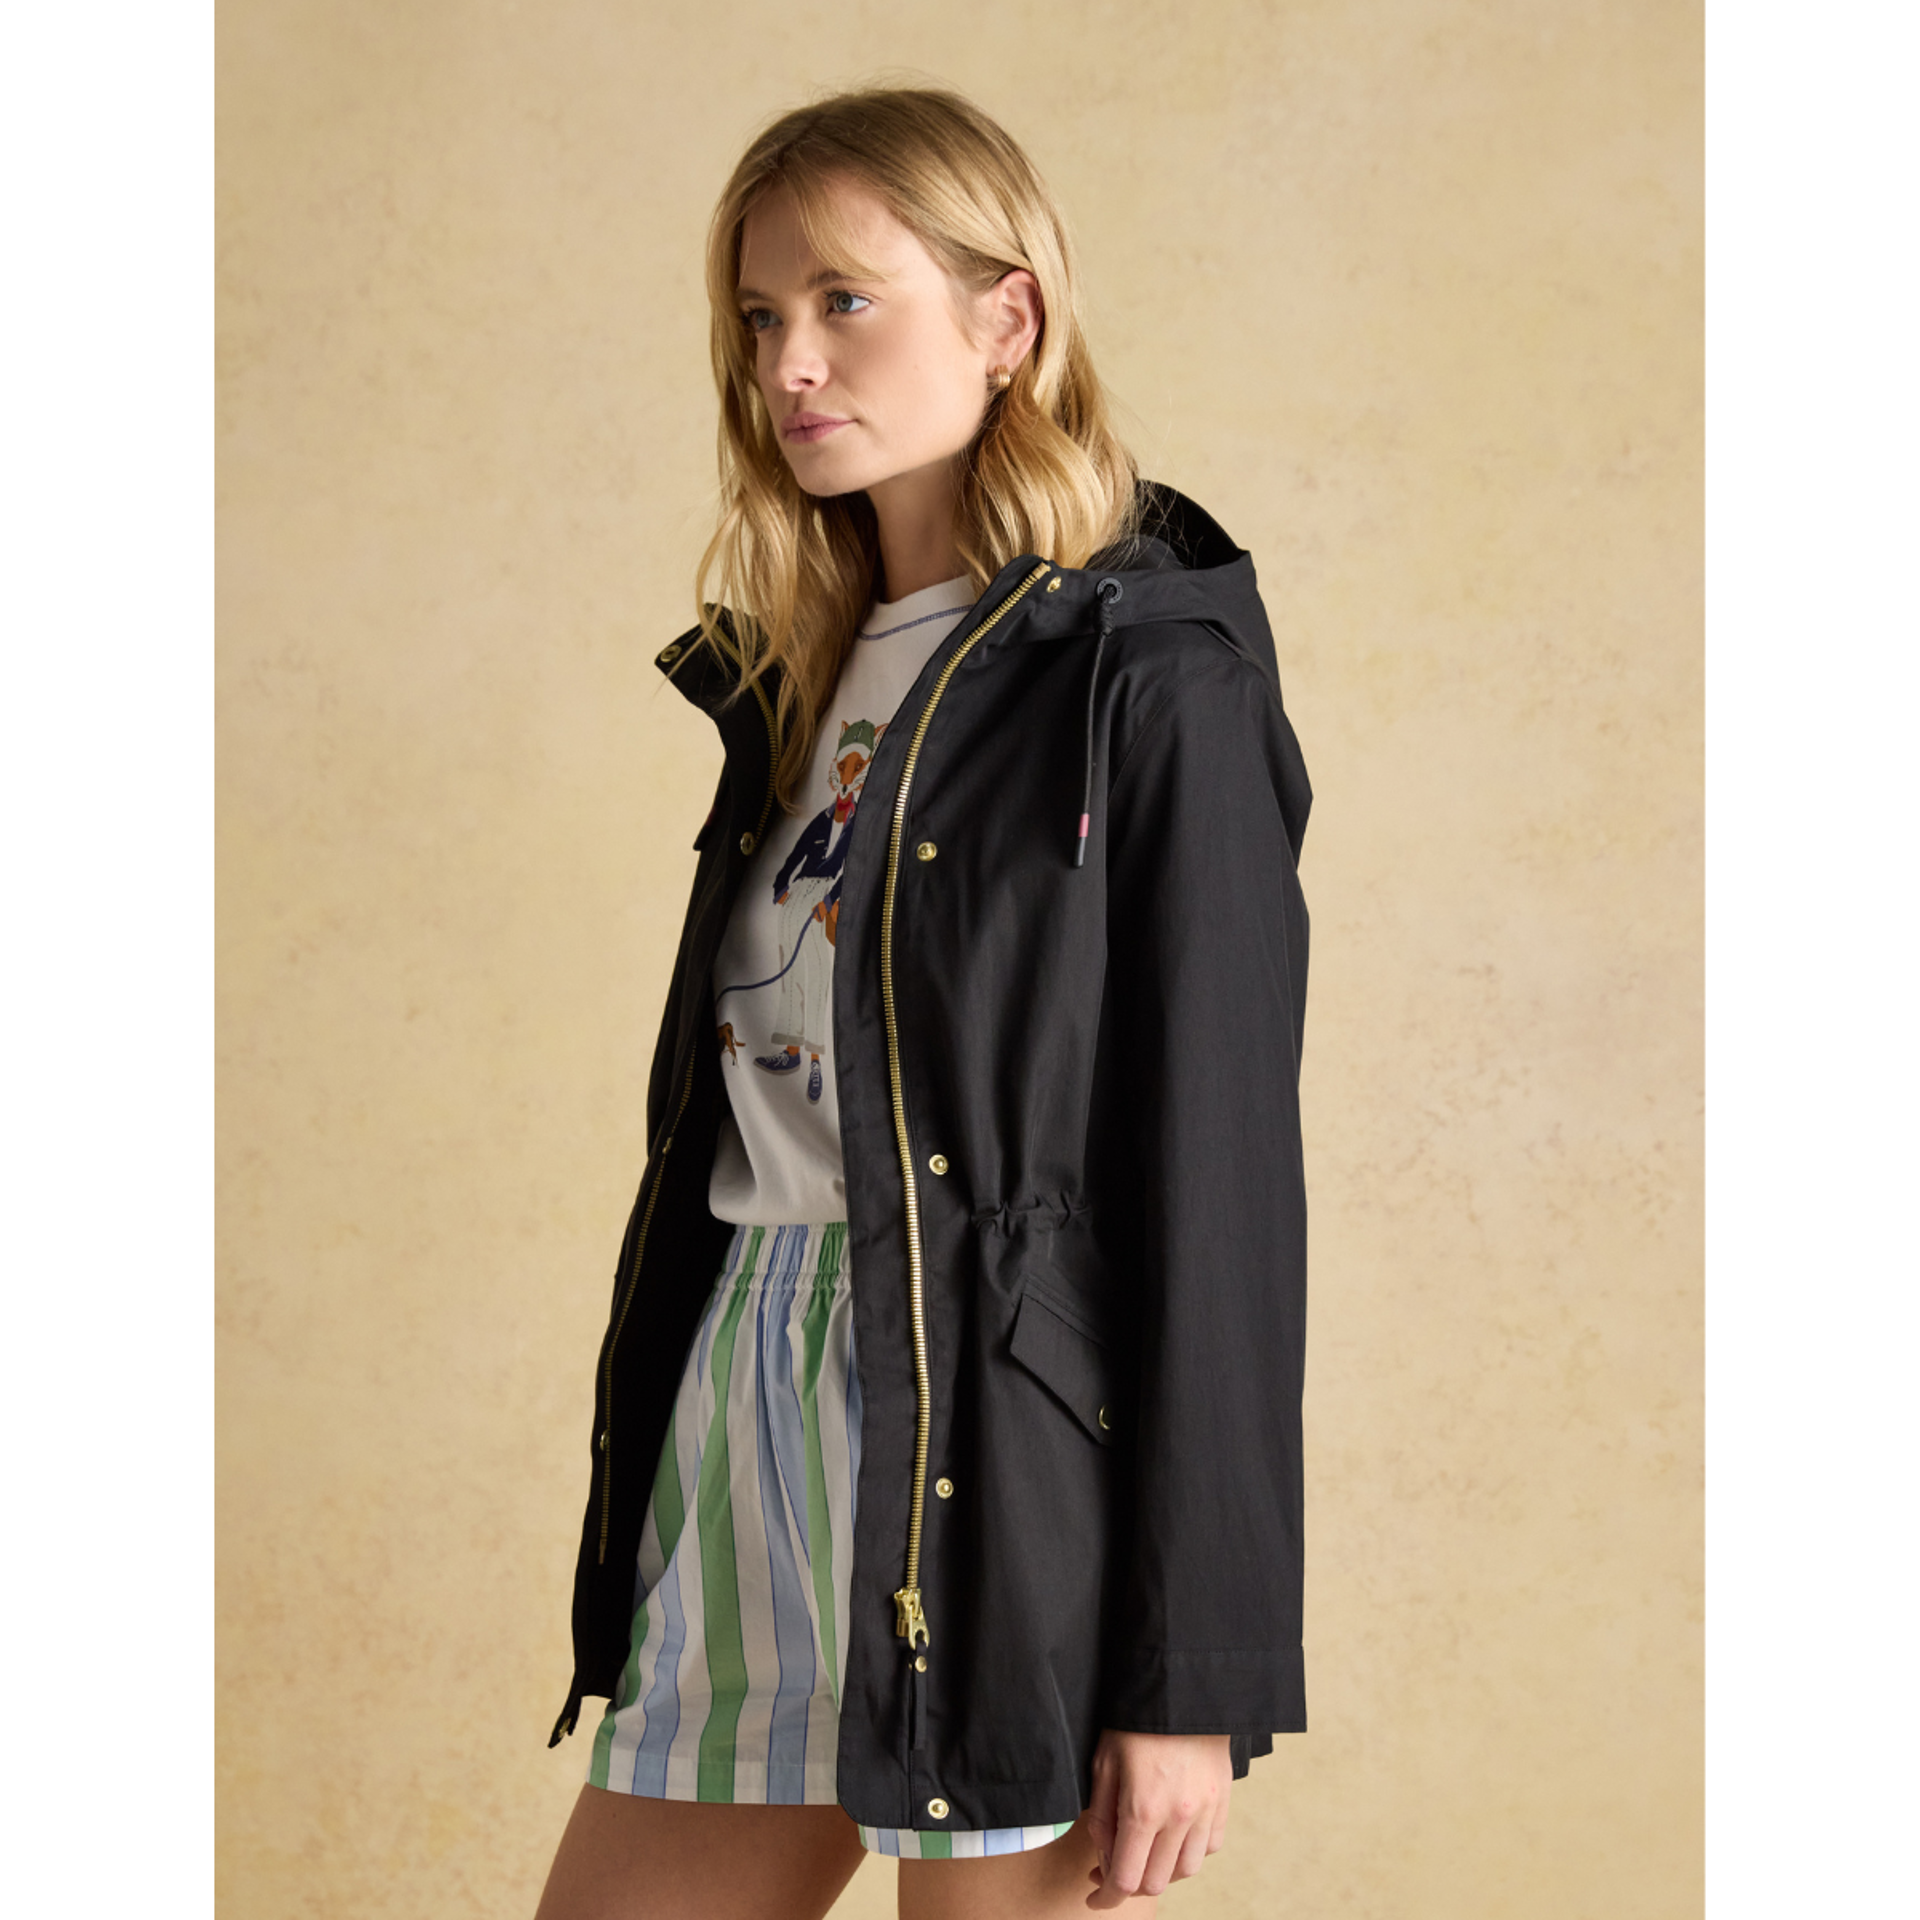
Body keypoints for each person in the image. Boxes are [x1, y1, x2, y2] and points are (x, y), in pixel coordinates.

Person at [535, 85, 1312, 1920]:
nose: (788, 364)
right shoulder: (794, 683)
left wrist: (1187, 1676)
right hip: (750, 1385)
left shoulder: (1151, 676)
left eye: (844, 301)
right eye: (757, 316)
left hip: (1001, 1448)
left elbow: (1217, 1191)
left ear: (1007, 318)